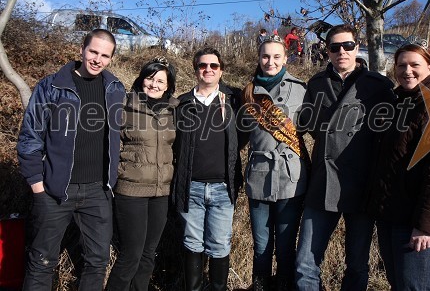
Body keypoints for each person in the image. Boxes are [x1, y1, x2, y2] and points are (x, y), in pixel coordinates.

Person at [17, 29, 125, 291]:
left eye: (105, 55)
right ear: (82, 49)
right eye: (93, 51)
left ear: (111, 58)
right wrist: (38, 186)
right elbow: (30, 137)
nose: (98, 59)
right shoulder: (52, 86)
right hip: (55, 191)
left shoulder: (114, 88)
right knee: (42, 261)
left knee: (97, 262)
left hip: (98, 192)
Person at [295, 24, 395, 290]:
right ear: (327, 51)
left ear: (357, 47)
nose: (342, 51)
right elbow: (306, 125)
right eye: (335, 47)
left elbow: (391, 136)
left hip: (362, 185)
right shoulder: (316, 84)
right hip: (323, 182)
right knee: (305, 263)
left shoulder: (379, 86)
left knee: (357, 264)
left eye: (348, 46)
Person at [366, 43, 430, 290]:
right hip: (392, 215)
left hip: (418, 222)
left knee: (414, 287)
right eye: (401, 65)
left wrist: (425, 226)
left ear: (429, 67)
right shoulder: (401, 103)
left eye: (414, 65)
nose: (407, 71)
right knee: (398, 284)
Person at [240, 35, 309, 290]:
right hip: (258, 176)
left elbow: (313, 128)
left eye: (276, 56)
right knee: (261, 246)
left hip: (291, 179)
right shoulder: (247, 92)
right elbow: (238, 136)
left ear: (286, 58)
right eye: (265, 56)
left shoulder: (301, 88)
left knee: (285, 245)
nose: (270, 61)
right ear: (259, 58)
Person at [172, 47, 243, 291]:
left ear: (221, 70)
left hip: (223, 188)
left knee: (220, 243)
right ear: (196, 70)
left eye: (214, 66)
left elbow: (241, 139)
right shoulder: (181, 103)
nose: (208, 70)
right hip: (191, 186)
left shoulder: (233, 101)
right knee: (192, 242)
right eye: (203, 65)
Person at [106, 58, 179, 290]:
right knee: (131, 255)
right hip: (131, 189)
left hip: (161, 192)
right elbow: (106, 143)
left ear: (168, 85)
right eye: (150, 78)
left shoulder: (174, 111)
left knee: (148, 254)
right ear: (142, 79)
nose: (154, 84)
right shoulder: (125, 105)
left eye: (160, 80)